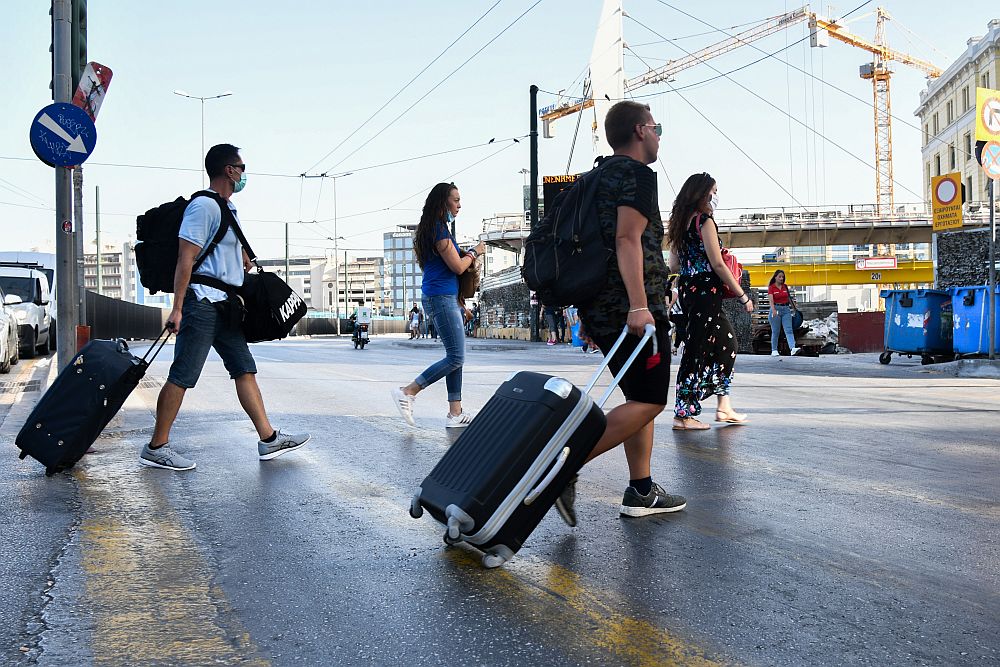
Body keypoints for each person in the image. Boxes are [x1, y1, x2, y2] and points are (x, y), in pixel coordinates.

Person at [555, 101, 687, 525]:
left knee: (638, 398)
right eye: (657, 127)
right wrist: (639, 306)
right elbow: (627, 240)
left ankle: (641, 489)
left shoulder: (596, 176)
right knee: (650, 401)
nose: (660, 135)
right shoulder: (636, 176)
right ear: (639, 130)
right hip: (632, 309)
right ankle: (562, 469)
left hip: (603, 307)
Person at [140, 144, 310, 471]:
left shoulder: (229, 210)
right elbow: (185, 258)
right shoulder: (203, 206)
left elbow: (224, 259)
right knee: (183, 375)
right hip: (202, 302)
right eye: (242, 167)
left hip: (226, 306)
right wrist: (177, 308)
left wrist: (239, 262)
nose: (245, 174)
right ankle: (156, 446)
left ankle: (268, 438)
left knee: (244, 368)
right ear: (229, 170)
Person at [391, 183, 486, 429]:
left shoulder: (439, 229)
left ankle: (455, 413)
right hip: (439, 298)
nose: (459, 205)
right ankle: (408, 391)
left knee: (456, 357)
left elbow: (446, 272)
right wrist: (475, 252)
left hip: (445, 298)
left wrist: (459, 303)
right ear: (443, 202)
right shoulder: (438, 230)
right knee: (456, 356)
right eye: (456, 200)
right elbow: (457, 267)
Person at [667, 172, 754, 431]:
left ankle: (723, 405)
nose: (715, 196)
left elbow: (673, 264)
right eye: (713, 191)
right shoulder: (704, 221)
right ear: (703, 193)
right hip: (706, 290)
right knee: (697, 350)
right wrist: (742, 294)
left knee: (726, 343)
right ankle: (683, 415)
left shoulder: (679, 224)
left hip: (689, 289)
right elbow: (717, 263)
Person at [768, 269, 800, 356]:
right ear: (775, 277)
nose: (781, 278)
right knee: (776, 331)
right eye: (780, 277)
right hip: (776, 309)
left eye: (783, 277)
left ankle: (792, 348)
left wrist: (794, 309)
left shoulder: (785, 287)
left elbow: (789, 298)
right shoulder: (771, 288)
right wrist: (773, 310)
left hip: (786, 309)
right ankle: (774, 350)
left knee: (789, 330)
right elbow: (771, 300)